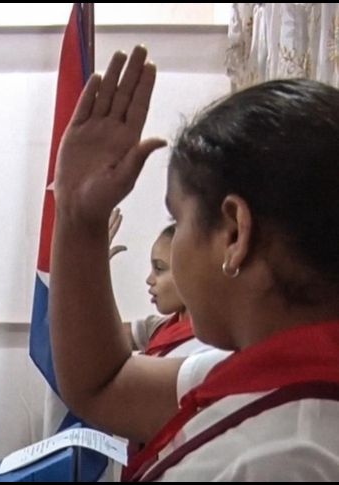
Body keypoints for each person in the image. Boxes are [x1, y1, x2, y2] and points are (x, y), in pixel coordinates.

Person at [50, 45, 339, 481]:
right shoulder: (282, 375)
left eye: (177, 219)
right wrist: (78, 217)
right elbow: (105, 384)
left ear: (234, 234)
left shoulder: (279, 459)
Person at [124, 223, 208, 357]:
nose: (149, 280)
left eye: (159, 268)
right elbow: (103, 335)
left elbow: (121, 367)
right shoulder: (160, 327)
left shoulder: (205, 347)